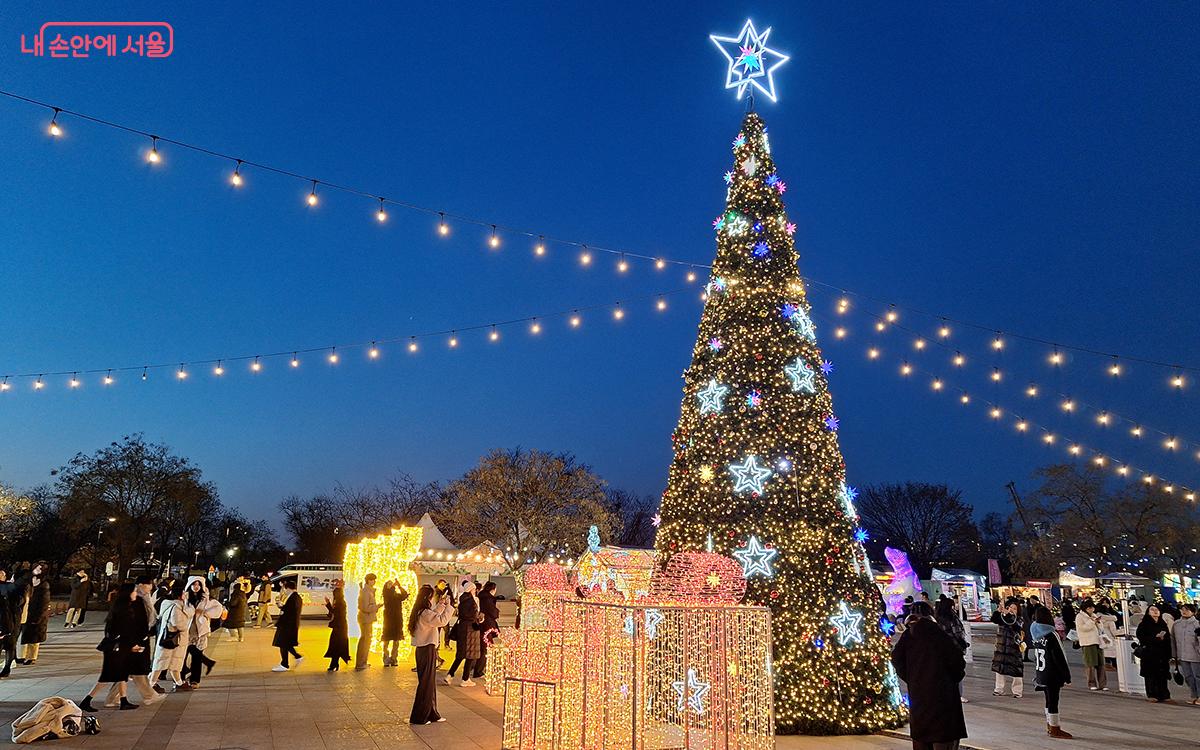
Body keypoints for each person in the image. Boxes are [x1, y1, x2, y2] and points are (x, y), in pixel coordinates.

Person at [891, 601, 966, 750]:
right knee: (943, 739)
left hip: (919, 697)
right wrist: (950, 679)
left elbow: (896, 658)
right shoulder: (939, 634)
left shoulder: (908, 636)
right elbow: (957, 663)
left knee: (921, 739)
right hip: (943, 698)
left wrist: (912, 677)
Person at [79, 583, 145, 712]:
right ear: (128, 593)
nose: (135, 594)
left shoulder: (121, 607)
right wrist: (132, 645)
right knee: (108, 676)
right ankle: (86, 700)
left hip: (117, 646)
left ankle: (123, 700)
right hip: (117, 648)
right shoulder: (124, 610)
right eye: (134, 591)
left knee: (122, 674)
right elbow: (125, 631)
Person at [408, 584, 454, 725]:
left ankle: (432, 713)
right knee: (426, 684)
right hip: (427, 648)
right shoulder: (425, 613)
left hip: (423, 649)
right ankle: (420, 716)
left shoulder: (421, 611)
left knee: (428, 683)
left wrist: (441, 605)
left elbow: (433, 614)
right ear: (428, 597)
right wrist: (449, 607)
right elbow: (440, 620)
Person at [1029, 606, 1073, 739]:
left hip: (1041, 672)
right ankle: (1055, 728)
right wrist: (1067, 676)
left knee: (1048, 700)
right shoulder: (1051, 634)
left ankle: (1049, 724)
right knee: (1054, 700)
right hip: (1052, 673)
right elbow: (1059, 656)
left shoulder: (1034, 632)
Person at [150, 581, 193, 692]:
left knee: (174, 662)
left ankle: (179, 683)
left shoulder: (170, 605)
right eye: (184, 593)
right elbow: (177, 623)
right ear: (180, 595)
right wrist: (186, 627)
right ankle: (151, 683)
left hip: (171, 639)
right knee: (161, 663)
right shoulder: (176, 607)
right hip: (172, 639)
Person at [182, 576, 225, 687]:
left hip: (200, 631)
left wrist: (205, 613)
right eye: (194, 584)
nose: (196, 587)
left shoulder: (206, 598)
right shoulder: (184, 597)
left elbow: (218, 608)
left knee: (196, 658)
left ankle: (194, 680)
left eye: (198, 584)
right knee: (182, 657)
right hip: (185, 630)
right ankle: (180, 680)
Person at [445, 578, 481, 686]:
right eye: (474, 589)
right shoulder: (471, 601)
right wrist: (479, 618)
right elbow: (472, 615)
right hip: (470, 629)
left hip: (462, 628)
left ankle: (450, 675)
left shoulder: (462, 600)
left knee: (461, 654)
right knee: (471, 654)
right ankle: (465, 679)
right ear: (470, 589)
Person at [933, 597, 969, 703]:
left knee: (944, 673)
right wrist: (963, 644)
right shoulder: (952, 617)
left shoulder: (936, 618)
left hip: (941, 650)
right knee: (957, 671)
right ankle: (958, 694)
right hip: (954, 648)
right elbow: (957, 633)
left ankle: (944, 694)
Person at [1137, 604, 1173, 703]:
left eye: (1156, 609)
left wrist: (1169, 654)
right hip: (1150, 653)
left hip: (1162, 654)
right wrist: (1155, 638)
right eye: (1152, 610)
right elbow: (1142, 638)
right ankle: (1151, 694)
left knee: (1162, 675)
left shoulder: (1162, 623)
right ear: (1148, 612)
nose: (1155, 611)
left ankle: (1164, 695)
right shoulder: (1144, 624)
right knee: (1151, 675)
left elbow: (1168, 639)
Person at [16, 562, 51, 665]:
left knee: (34, 636)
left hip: (36, 614)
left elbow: (44, 603)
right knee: (23, 635)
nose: (38, 570)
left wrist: (38, 617)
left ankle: (31, 657)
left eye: (40, 569)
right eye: (36, 568)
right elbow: (19, 583)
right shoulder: (28, 580)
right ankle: (21, 656)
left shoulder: (44, 584)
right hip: (24, 612)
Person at [990, 598, 1024, 697]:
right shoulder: (1003, 617)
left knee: (1016, 670)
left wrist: (1008, 615)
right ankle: (999, 689)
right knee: (999, 669)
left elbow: (1014, 624)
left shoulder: (1019, 619)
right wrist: (998, 611)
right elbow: (994, 619)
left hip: (1013, 648)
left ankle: (1017, 691)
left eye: (1014, 608)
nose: (1012, 610)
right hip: (1001, 647)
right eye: (1010, 608)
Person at [1075, 600, 1108, 691]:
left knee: (1101, 664)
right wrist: (1092, 622)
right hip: (1087, 642)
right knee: (1090, 664)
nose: (1092, 609)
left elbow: (1101, 628)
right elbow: (1083, 628)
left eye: (1092, 607)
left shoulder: (1094, 615)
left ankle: (1103, 684)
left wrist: (1098, 622)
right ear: (1085, 608)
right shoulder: (1080, 617)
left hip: (1098, 642)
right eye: (1090, 608)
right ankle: (1091, 683)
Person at [1171, 603, 1200, 705]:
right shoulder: (1176, 624)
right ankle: (1194, 695)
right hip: (1182, 655)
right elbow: (1173, 639)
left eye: (1187, 610)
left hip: (1195, 655)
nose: (1184, 611)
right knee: (1188, 676)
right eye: (1182, 609)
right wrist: (1174, 654)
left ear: (1193, 612)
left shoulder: (1197, 624)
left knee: (1197, 676)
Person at [272, 577, 303, 672]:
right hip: (290, 625)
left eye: (285, 589)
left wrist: (282, 609)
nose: (284, 591)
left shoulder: (293, 598)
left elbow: (290, 612)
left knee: (282, 644)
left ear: (288, 588)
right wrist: (283, 607)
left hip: (287, 625)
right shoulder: (296, 597)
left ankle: (284, 664)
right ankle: (297, 657)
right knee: (287, 644)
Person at [473, 581, 500, 679]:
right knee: (486, 647)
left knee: (483, 647)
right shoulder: (488, 599)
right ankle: (478, 671)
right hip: (487, 626)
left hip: (482, 625)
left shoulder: (481, 596)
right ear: (493, 589)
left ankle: (477, 669)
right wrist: (496, 612)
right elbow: (493, 612)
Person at [0, 571, 24, 678]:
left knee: (9, 646)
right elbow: (20, 601)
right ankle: (6, 669)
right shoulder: (10, 587)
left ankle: (6, 668)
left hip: (10, 620)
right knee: (9, 646)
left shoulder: (10, 587)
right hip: (10, 621)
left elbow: (20, 601)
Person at [380, 580, 409, 667]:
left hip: (397, 620)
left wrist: (399, 586)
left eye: (391, 583)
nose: (391, 584)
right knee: (386, 640)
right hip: (388, 621)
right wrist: (393, 586)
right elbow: (388, 594)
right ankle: (386, 658)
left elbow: (405, 595)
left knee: (396, 641)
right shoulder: (386, 594)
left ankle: (394, 658)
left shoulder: (397, 595)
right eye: (388, 583)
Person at [354, 574, 380, 670]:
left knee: (366, 640)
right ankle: (361, 663)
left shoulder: (369, 591)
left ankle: (363, 661)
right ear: (369, 581)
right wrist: (377, 606)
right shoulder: (366, 592)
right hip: (366, 619)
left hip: (367, 619)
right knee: (365, 640)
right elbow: (365, 607)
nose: (375, 582)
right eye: (373, 580)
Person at [324, 580, 350, 672]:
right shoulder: (339, 602)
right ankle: (334, 663)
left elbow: (336, 613)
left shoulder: (340, 603)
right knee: (336, 645)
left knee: (336, 645)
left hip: (340, 627)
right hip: (339, 626)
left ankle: (334, 664)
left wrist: (328, 605)